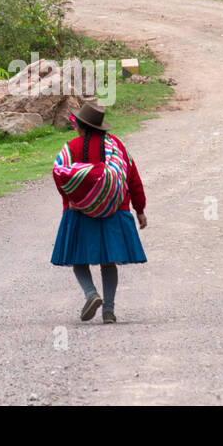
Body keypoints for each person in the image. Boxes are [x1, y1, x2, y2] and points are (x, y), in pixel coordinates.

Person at [50, 101, 148, 323]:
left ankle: (91, 294)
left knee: (79, 260)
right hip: (114, 212)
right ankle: (109, 311)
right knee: (108, 263)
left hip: (78, 213)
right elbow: (133, 177)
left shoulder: (71, 148)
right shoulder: (117, 147)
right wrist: (139, 209)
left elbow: (59, 175)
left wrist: (71, 200)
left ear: (81, 127)